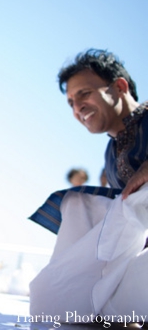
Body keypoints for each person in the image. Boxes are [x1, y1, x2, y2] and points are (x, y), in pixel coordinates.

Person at [29, 49, 148, 318]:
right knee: (77, 200)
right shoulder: (111, 152)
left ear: (119, 87)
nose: (77, 108)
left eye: (84, 94)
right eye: (70, 102)